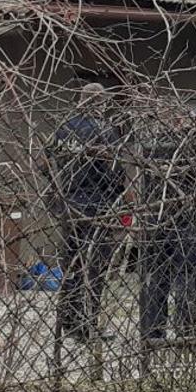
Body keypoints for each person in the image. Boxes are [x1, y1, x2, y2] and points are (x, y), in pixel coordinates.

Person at [50, 82, 126, 342]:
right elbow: (114, 171)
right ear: (101, 103)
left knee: (72, 264)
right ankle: (89, 324)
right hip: (97, 204)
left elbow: (50, 162)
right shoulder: (104, 131)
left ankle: (69, 320)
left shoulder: (64, 129)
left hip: (70, 204)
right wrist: (118, 196)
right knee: (95, 268)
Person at [137, 103, 196, 340]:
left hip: (156, 221)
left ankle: (154, 332)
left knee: (157, 279)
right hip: (183, 222)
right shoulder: (191, 148)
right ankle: (186, 330)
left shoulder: (153, 146)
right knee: (185, 278)